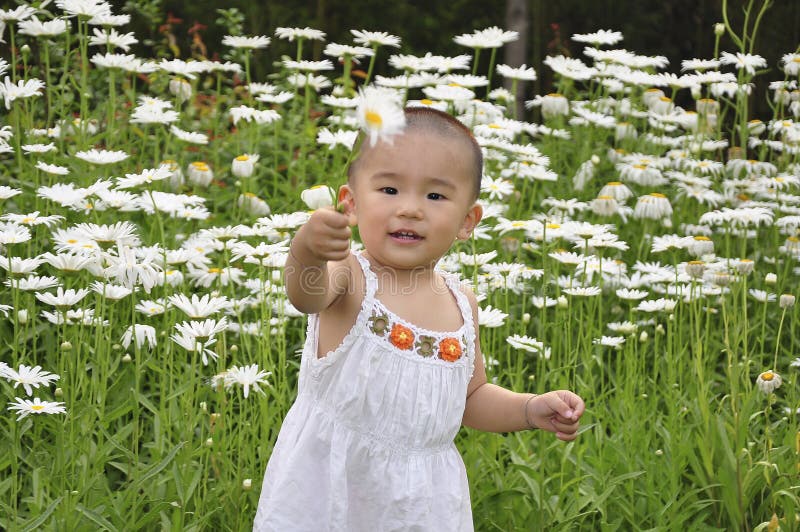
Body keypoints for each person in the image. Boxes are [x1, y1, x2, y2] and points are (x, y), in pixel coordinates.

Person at [253, 107, 585, 531]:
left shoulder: (461, 304)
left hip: (423, 508)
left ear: (467, 221)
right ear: (350, 203)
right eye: (390, 189)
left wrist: (529, 409)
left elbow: (470, 398)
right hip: (331, 497)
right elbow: (304, 294)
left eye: (435, 196)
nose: (410, 209)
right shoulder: (350, 277)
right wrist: (307, 251)